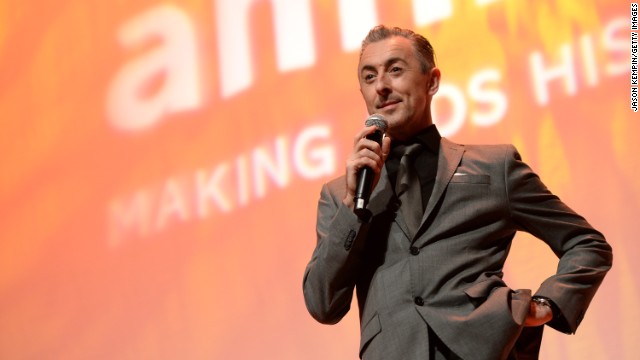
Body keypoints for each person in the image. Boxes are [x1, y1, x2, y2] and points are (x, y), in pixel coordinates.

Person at [302, 25, 613, 360]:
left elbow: (587, 244)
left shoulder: (494, 167)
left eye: (395, 69)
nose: (382, 86)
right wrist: (353, 206)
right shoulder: (341, 195)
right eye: (369, 76)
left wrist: (547, 304)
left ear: (432, 81)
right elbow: (323, 305)